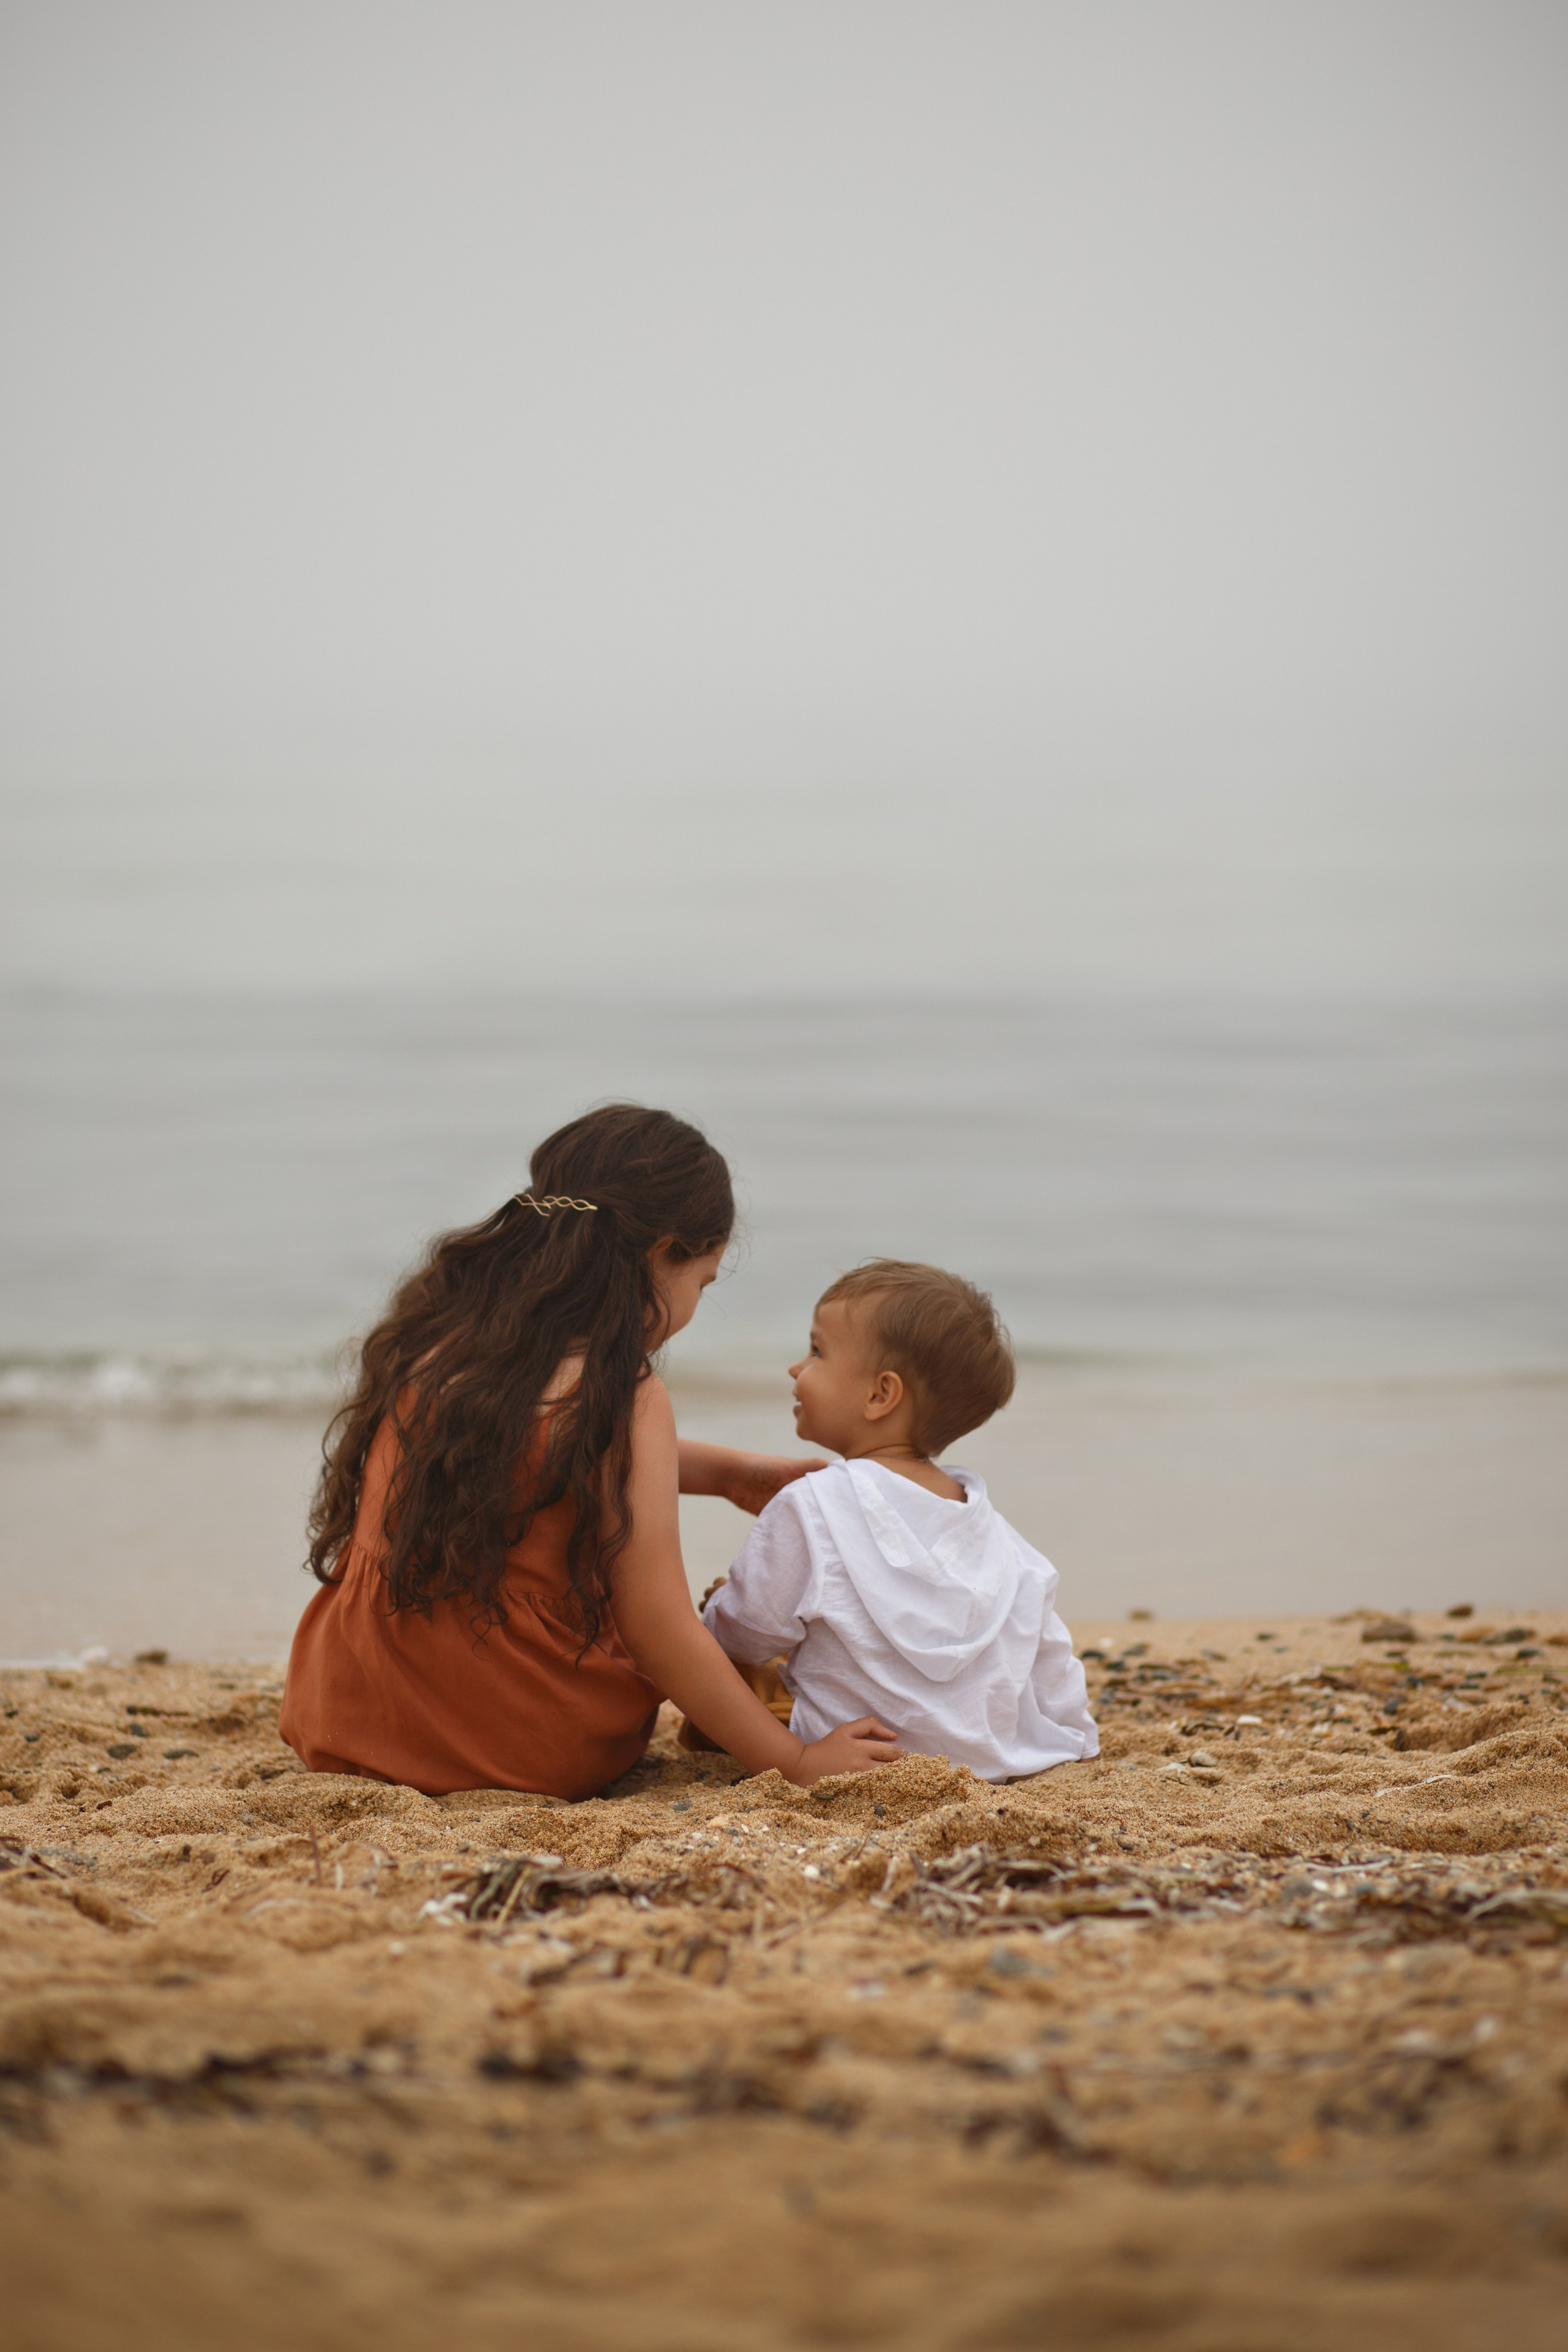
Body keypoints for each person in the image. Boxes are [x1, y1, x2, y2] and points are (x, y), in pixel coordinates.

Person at [280, 1106, 901, 1798]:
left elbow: (541, 1454)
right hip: (519, 1746)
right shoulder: (623, 1397)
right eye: (701, 1282)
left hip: (345, 1718)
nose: (695, 1304)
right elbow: (658, 1628)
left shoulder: (440, 1341)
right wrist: (796, 1760)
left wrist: (729, 1474)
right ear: (660, 1253)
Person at [700, 1261, 1098, 1782]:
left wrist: (721, 1608)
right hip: (988, 1765)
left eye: (817, 1351)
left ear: (880, 1395)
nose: (797, 1368)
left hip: (857, 1758)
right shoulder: (1000, 1536)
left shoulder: (811, 1505)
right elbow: (1050, 1659)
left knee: (727, 1670)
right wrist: (1078, 1740)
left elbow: (745, 1635)